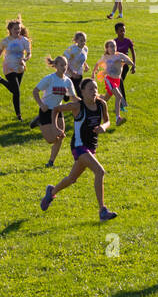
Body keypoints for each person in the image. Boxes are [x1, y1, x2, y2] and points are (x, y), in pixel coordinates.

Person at [39, 76, 119, 221]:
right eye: (90, 89)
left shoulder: (101, 104)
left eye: (95, 88)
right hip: (78, 146)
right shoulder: (77, 106)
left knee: (71, 179)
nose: (94, 91)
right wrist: (56, 127)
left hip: (91, 148)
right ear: (82, 92)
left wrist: (103, 127)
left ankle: (51, 192)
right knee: (100, 172)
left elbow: (107, 121)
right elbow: (56, 109)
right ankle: (102, 210)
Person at [31, 54, 76, 167]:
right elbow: (35, 91)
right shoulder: (49, 78)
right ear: (55, 66)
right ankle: (39, 122)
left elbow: (73, 98)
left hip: (57, 111)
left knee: (60, 136)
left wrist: (86, 100)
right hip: (46, 110)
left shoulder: (68, 81)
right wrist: (41, 104)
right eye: (61, 65)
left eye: (66, 64)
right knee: (51, 140)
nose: (64, 67)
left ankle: (51, 162)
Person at [0, 18, 31, 120]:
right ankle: (19, 115)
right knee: (17, 92)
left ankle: (0, 80)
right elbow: (0, 51)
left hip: (20, 68)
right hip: (8, 67)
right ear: (10, 29)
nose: (17, 30)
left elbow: (29, 54)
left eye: (19, 28)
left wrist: (25, 59)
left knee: (14, 90)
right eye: (15, 29)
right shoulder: (5, 41)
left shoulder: (24, 40)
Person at [96, 39, 135, 126]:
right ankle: (118, 118)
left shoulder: (119, 55)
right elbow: (98, 63)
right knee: (119, 96)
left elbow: (130, 62)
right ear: (107, 48)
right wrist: (93, 72)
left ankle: (96, 100)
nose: (114, 48)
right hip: (109, 79)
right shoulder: (106, 57)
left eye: (115, 46)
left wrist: (124, 62)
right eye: (111, 46)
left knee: (105, 99)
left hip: (117, 80)